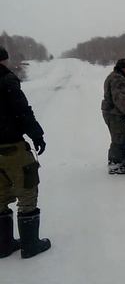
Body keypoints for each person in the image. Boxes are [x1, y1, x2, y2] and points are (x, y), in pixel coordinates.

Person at [0, 46, 51, 259]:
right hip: (11, 146)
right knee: (27, 190)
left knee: (0, 195)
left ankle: (3, 246)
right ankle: (30, 245)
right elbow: (22, 111)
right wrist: (36, 135)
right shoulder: (6, 81)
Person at [101, 58, 125, 175]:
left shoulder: (117, 76)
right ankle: (115, 165)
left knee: (123, 138)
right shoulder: (118, 79)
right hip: (114, 113)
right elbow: (120, 98)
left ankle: (123, 163)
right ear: (123, 68)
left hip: (116, 113)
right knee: (118, 139)